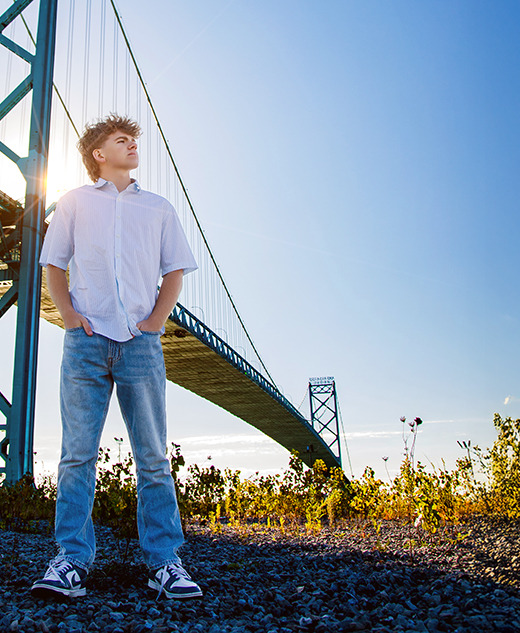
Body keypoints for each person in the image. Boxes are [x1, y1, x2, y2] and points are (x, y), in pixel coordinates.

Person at [31, 114, 201, 600]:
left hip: (140, 343)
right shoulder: (74, 202)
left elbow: (174, 271)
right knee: (77, 455)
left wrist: (153, 322)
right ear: (98, 154)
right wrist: (67, 315)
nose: (132, 145)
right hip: (86, 340)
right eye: (121, 140)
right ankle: (71, 559)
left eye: (134, 140)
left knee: (152, 457)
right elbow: (53, 262)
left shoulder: (159, 207)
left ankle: (166, 562)